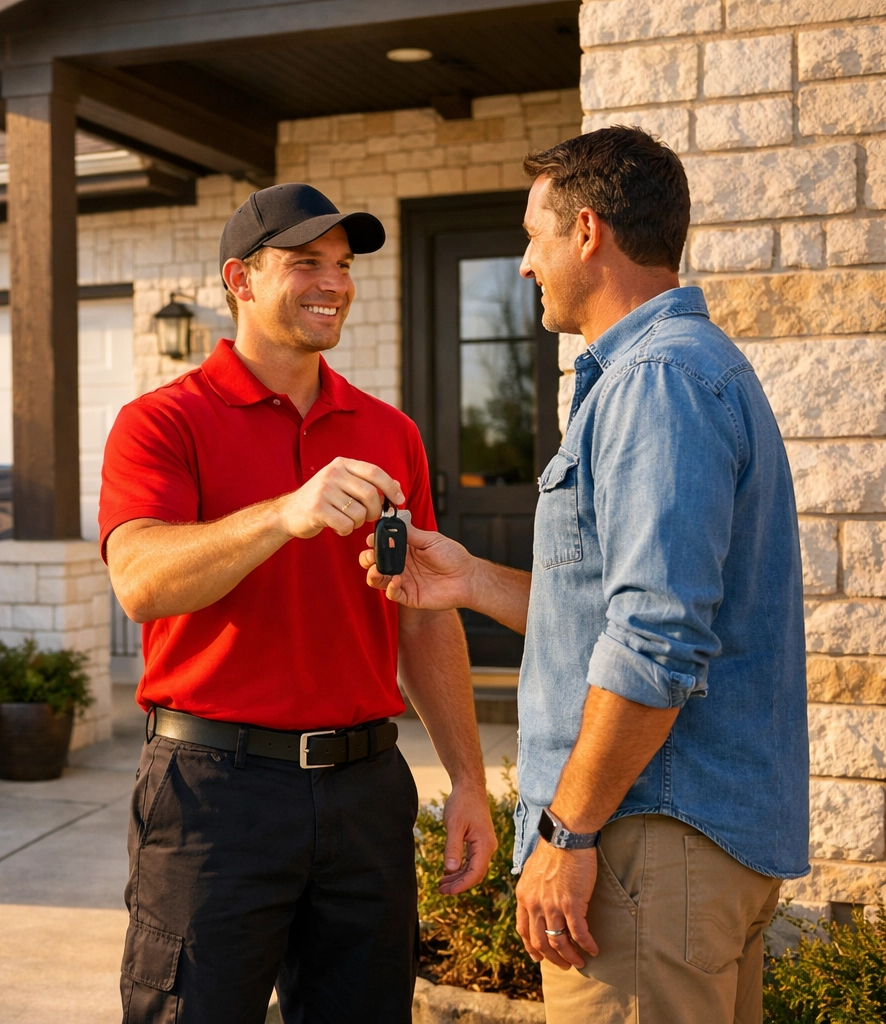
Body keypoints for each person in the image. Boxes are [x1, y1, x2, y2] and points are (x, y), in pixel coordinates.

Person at [363, 127, 809, 1024]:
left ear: (588, 231)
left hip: (645, 849)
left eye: (533, 236)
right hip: (677, 854)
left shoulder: (658, 381)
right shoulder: (679, 372)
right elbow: (625, 617)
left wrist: (567, 833)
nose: (524, 265)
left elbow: (657, 642)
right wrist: (474, 581)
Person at [101, 183, 496, 1024]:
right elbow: (140, 579)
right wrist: (285, 513)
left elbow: (425, 616)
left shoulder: (391, 433)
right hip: (215, 797)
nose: (335, 282)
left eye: (344, 265)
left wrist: (468, 777)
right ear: (240, 280)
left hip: (365, 795)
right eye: (306, 262)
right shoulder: (160, 422)